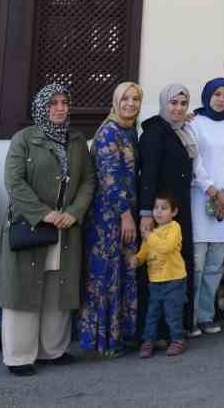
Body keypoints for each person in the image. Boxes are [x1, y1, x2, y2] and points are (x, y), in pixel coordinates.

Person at [0, 83, 94, 376]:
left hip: (66, 228)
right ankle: (19, 357)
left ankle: (53, 350)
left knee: (56, 289)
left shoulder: (76, 140)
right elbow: (14, 182)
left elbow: (88, 181)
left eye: (64, 102)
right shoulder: (24, 139)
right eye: (53, 103)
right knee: (23, 289)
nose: (60, 108)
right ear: (41, 108)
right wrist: (45, 214)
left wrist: (73, 213)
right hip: (30, 226)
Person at [80, 82, 141, 356]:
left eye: (136, 98)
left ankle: (120, 336)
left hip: (124, 212)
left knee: (123, 272)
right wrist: (126, 216)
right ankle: (103, 341)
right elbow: (110, 178)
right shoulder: (109, 132)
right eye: (125, 98)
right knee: (107, 276)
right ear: (115, 102)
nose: (130, 103)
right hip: (109, 217)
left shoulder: (130, 131)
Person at [138, 84, 198, 336]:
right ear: (164, 104)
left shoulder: (182, 131)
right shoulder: (155, 133)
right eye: (173, 103)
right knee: (159, 268)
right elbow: (148, 175)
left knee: (176, 265)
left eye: (183, 104)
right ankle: (157, 332)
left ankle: (176, 328)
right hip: (160, 213)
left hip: (178, 210)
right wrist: (145, 213)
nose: (179, 108)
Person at [189, 78, 224, 336]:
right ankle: (189, 318)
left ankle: (206, 315)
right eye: (217, 94)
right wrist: (212, 190)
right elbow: (195, 161)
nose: (221, 99)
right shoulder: (195, 123)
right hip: (201, 198)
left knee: (215, 265)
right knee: (198, 264)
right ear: (207, 96)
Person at [133, 194, 189, 357]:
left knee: (173, 314)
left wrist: (150, 236)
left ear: (174, 212)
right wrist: (136, 260)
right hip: (155, 282)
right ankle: (148, 341)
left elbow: (166, 247)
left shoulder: (174, 228)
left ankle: (177, 339)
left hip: (174, 280)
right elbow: (145, 251)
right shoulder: (151, 233)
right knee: (152, 314)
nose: (158, 212)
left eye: (163, 208)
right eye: (156, 208)